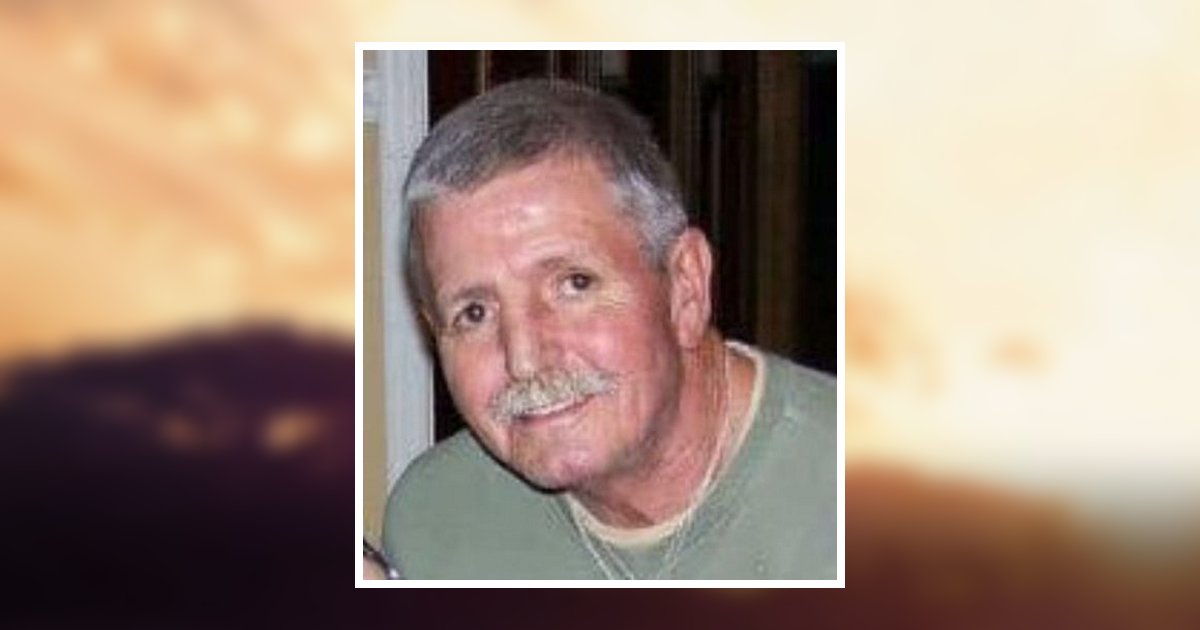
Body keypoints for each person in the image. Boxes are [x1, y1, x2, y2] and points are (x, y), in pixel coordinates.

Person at [383, 78, 835, 579]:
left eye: (574, 284)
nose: (524, 358)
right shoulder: (437, 524)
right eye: (474, 313)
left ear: (685, 287)